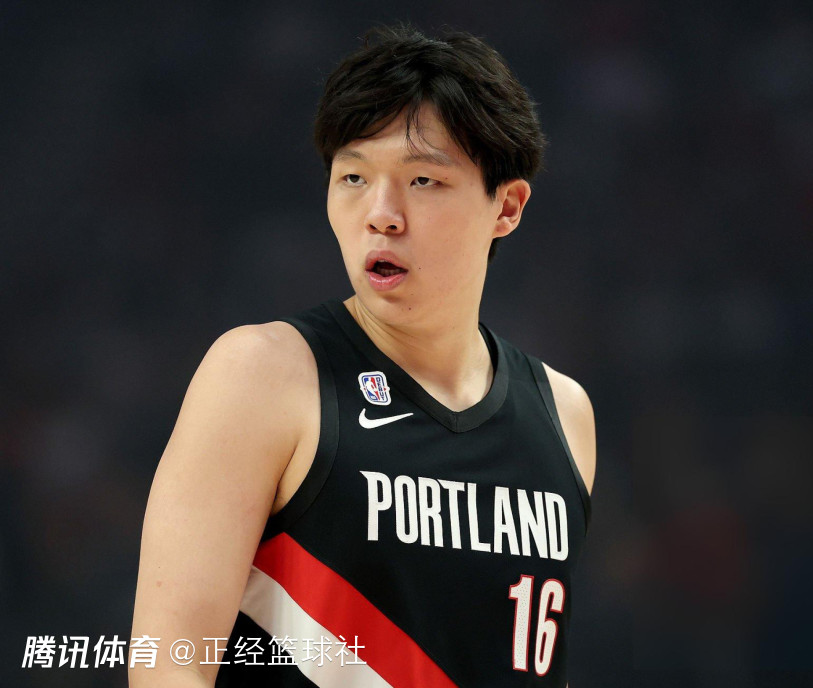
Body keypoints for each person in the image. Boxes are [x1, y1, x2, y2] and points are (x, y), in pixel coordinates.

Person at [129, 23, 595, 688]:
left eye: (423, 180)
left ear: (507, 206)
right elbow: (167, 664)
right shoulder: (264, 374)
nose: (381, 213)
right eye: (353, 176)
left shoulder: (564, 415)